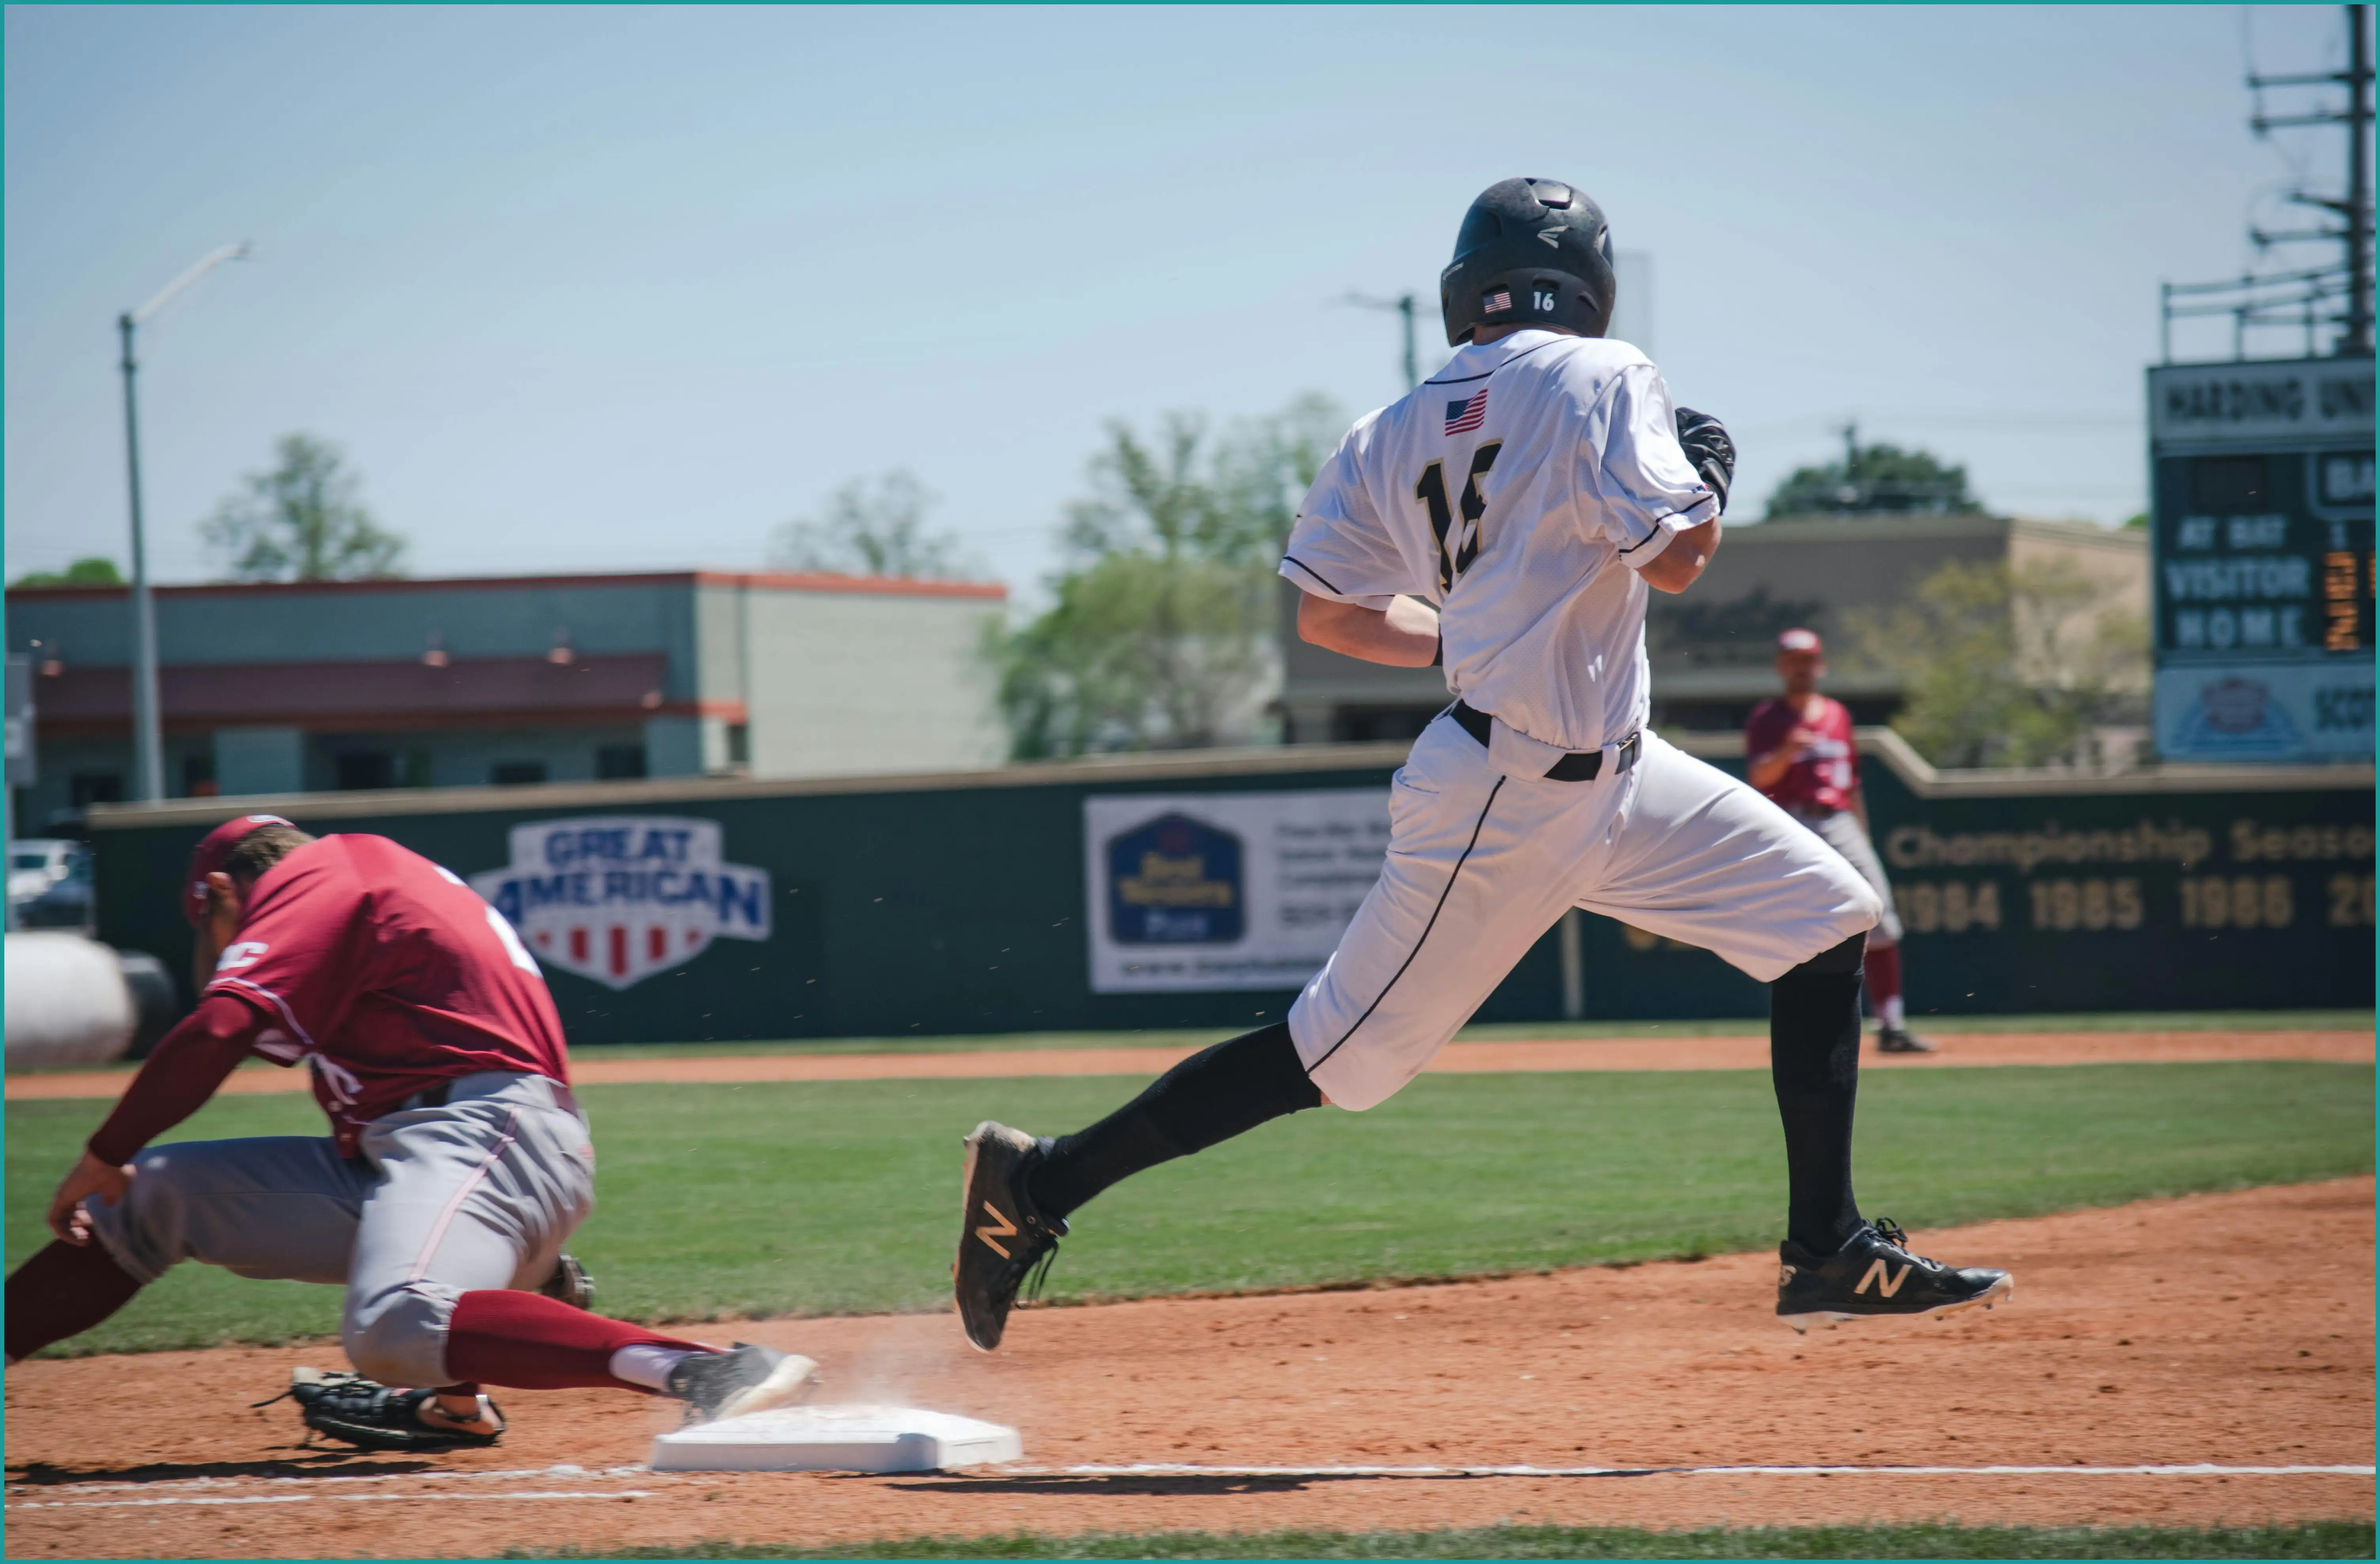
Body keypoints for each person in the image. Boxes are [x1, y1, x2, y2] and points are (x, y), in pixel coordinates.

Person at [953, 177, 2011, 1351]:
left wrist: (1467, 632)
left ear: (1468, 289)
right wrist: (1710, 474)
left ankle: (1827, 1244)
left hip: (1617, 770)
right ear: (1591, 284)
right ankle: (1038, 1182)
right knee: (1337, 1055)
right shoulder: (1607, 373)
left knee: (1827, 914)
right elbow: (1680, 561)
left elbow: (1329, 617)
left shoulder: (1391, 424)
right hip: (1507, 794)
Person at [5, 814, 817, 1451]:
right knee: (151, 1196)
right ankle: (457, 1395)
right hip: (429, 1153)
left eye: (214, 926)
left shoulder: (326, 875)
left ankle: (706, 1370)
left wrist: (101, 1150)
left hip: (488, 1136)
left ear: (218, 891)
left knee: (393, 1325)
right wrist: (123, 1170)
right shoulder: (365, 881)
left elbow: (220, 1027)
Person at [1745, 629, 1935, 1054]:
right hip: (1790, 820)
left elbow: (1852, 784)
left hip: (1839, 820)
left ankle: (1892, 1025)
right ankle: (1800, 1027)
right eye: (1793, 659)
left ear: (1821, 664)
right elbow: (1759, 779)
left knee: (1879, 915)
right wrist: (1787, 750)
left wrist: (1861, 833)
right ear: (1781, 666)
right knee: (1792, 925)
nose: (1802, 667)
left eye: (1809, 659)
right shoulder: (1768, 718)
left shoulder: (1836, 714)